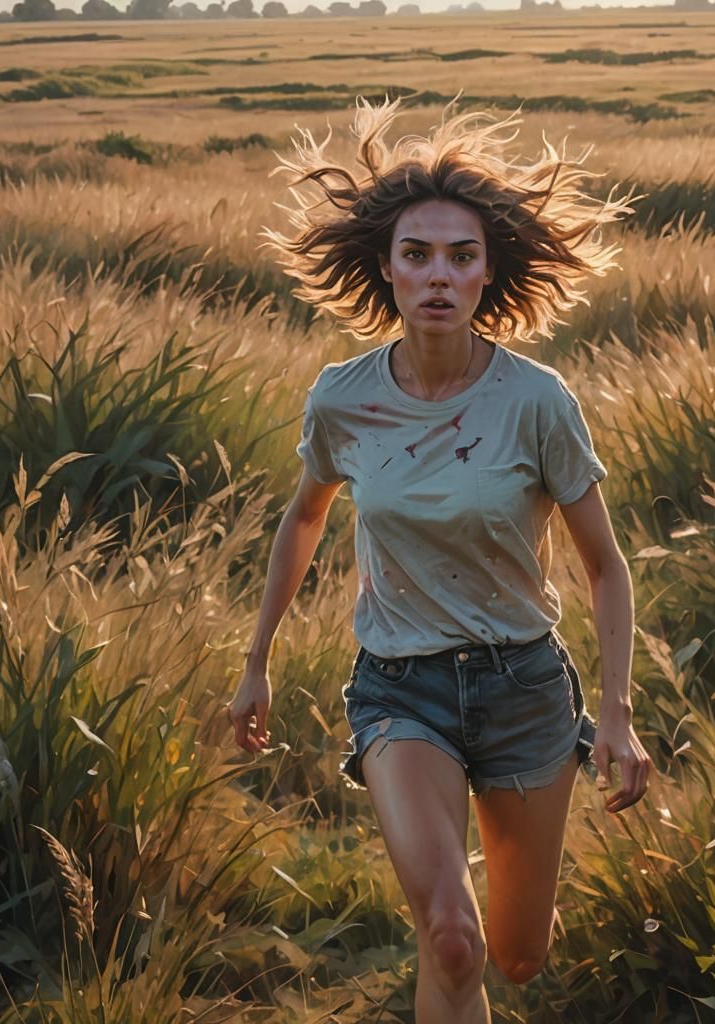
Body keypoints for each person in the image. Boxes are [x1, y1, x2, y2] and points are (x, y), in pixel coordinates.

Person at [226, 95, 651, 1023]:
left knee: (516, 955)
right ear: (386, 267)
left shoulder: (536, 402)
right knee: (449, 936)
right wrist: (256, 662)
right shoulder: (343, 399)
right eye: (417, 255)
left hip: (525, 686)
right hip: (400, 689)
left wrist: (616, 715)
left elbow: (606, 566)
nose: (438, 276)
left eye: (461, 257)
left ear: (487, 273)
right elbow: (302, 521)